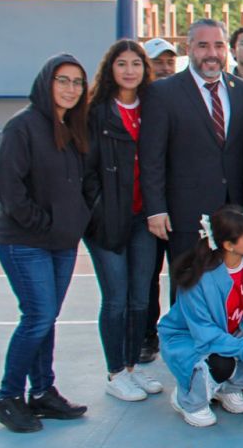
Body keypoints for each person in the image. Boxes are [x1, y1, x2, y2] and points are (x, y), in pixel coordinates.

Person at [0, 54, 91, 433]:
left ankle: (43, 392)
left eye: (77, 82)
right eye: (62, 81)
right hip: (24, 241)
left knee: (46, 319)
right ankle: (7, 396)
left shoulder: (72, 128)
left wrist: (75, 220)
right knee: (37, 317)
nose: (70, 89)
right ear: (46, 83)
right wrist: (41, 223)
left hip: (61, 242)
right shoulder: (23, 126)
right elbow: (7, 185)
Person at [141, 19, 243, 290]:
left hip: (231, 213)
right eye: (203, 46)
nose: (211, 53)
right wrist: (156, 209)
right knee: (188, 286)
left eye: (218, 45)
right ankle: (186, 335)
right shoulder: (163, 92)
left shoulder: (241, 90)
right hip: (185, 214)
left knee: (228, 287)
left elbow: (242, 152)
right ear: (189, 48)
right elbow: (152, 156)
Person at [158, 205, 243, 427]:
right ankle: (189, 400)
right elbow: (205, 334)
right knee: (220, 363)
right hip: (188, 338)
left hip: (228, 331)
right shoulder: (198, 277)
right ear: (229, 245)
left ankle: (229, 388)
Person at [81, 40, 164, 402]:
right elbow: (86, 173)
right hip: (107, 222)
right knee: (115, 299)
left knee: (140, 298)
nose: (129, 70)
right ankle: (115, 372)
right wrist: (99, 211)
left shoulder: (152, 108)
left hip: (143, 218)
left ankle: (132, 366)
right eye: (121, 64)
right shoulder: (95, 112)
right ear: (109, 69)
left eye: (136, 63)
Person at [141, 36, 181, 363]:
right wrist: (155, 206)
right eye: (158, 61)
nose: (165, 66)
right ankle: (145, 335)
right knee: (145, 278)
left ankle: (176, 336)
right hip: (146, 210)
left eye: (169, 60)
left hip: (180, 208)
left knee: (181, 278)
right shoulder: (139, 102)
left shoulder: (179, 98)